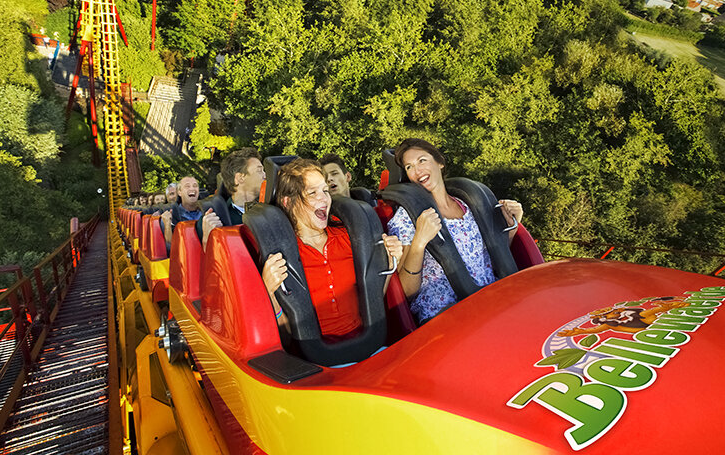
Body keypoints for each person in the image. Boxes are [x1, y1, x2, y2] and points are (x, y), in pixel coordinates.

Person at [261, 159, 402, 340]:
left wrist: (389, 263)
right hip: (318, 357)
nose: (324, 199)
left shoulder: (348, 238)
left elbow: (373, 300)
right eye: (312, 192)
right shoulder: (282, 253)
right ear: (288, 202)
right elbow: (287, 334)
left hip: (367, 343)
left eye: (325, 191)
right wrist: (269, 293)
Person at [387, 138, 524, 324]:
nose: (417, 170)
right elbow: (407, 292)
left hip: (493, 299)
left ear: (439, 162)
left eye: (422, 160)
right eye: (409, 167)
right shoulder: (407, 217)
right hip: (447, 315)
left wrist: (512, 225)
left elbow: (488, 258)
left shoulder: (469, 204)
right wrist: (419, 242)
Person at [200, 148, 265, 249]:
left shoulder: (270, 210)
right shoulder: (213, 218)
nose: (265, 175)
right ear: (240, 178)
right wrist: (207, 240)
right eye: (259, 170)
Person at [161, 176, 202, 244]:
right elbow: (170, 247)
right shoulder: (171, 215)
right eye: (187, 186)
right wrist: (167, 226)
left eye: (195, 186)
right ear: (179, 192)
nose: (192, 189)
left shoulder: (208, 210)